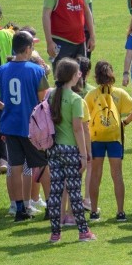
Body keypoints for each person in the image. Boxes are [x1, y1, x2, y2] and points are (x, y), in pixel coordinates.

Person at [0, 31, 50, 222]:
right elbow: (43, 99)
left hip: (9, 125)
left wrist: (0, 104)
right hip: (31, 126)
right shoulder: (36, 71)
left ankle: (19, 209)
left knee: (15, 168)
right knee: (42, 166)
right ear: (28, 49)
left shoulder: (2, 69)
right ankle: (51, 206)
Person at [46, 58, 97, 242]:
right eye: (78, 73)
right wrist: (84, 155)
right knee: (74, 191)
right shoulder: (76, 99)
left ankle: (55, 232)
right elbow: (78, 129)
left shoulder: (51, 96)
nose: (80, 75)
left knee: (55, 192)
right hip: (70, 150)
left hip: (53, 149)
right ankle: (83, 232)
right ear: (72, 76)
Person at [83, 61, 132, 222]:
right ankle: (120, 212)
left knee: (95, 175)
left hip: (97, 138)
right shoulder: (119, 94)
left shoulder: (92, 95)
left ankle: (93, 211)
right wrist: (124, 123)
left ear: (96, 76)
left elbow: (84, 117)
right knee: (117, 175)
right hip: (115, 139)